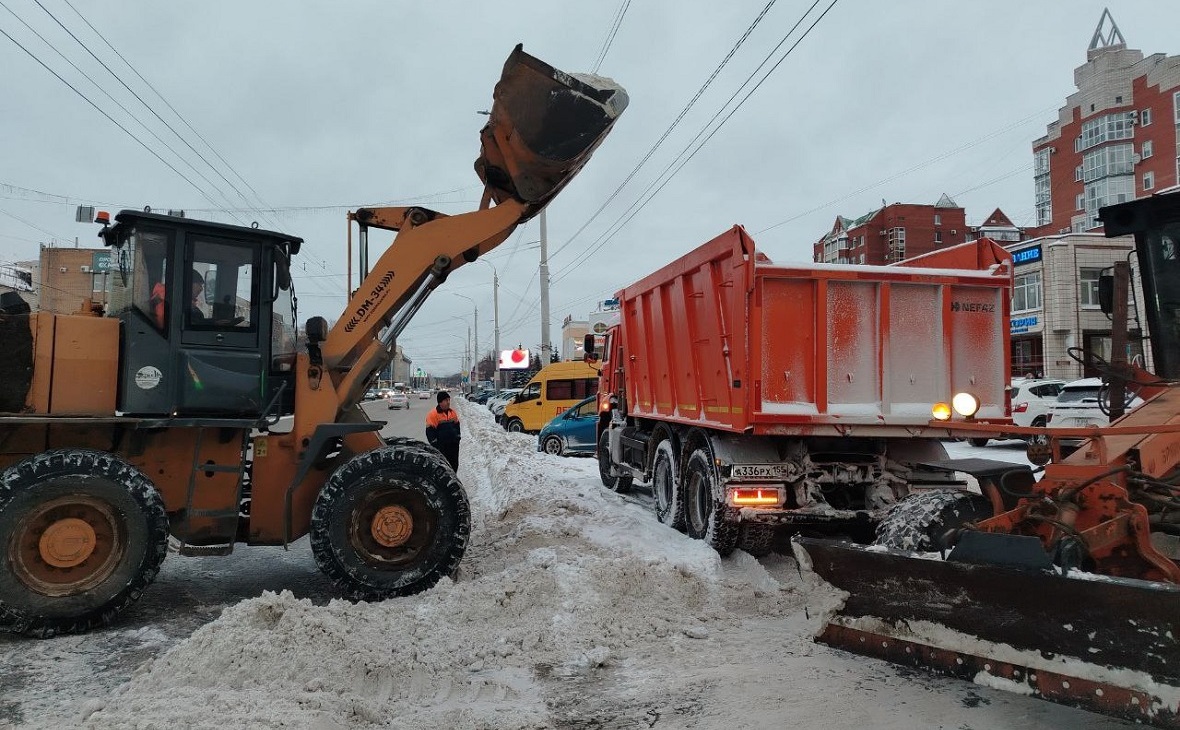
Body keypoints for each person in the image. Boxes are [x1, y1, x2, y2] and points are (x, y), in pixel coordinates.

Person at [425, 390, 461, 472]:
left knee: (454, 466)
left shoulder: (452, 412)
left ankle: (453, 482)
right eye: (446, 400)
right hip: (441, 448)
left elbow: (457, 425)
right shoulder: (433, 414)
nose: (448, 402)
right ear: (440, 402)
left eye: (449, 400)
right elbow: (429, 431)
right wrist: (436, 445)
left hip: (453, 446)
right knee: (443, 469)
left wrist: (457, 437)